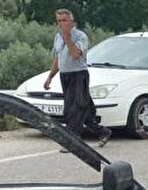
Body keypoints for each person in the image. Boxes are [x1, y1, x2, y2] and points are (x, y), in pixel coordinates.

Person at [43, 9, 109, 146]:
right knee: (84, 108)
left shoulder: (80, 36)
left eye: (64, 20)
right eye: (59, 21)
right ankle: (103, 131)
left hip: (78, 75)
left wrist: (67, 37)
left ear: (72, 22)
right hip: (65, 75)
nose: (61, 24)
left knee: (75, 108)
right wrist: (50, 76)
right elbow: (58, 58)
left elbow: (75, 55)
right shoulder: (58, 37)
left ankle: (73, 140)